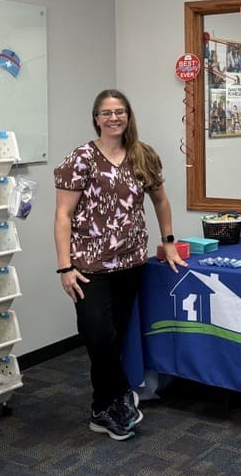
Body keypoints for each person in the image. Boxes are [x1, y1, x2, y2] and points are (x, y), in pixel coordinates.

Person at [54, 89, 186, 441]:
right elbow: (63, 215)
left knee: (114, 340)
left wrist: (169, 243)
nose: (114, 118)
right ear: (96, 118)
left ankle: (102, 411)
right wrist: (65, 267)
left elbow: (161, 201)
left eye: (120, 111)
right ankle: (123, 396)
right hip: (88, 268)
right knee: (98, 337)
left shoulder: (143, 156)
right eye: (106, 112)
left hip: (131, 264)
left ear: (128, 116)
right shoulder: (80, 158)